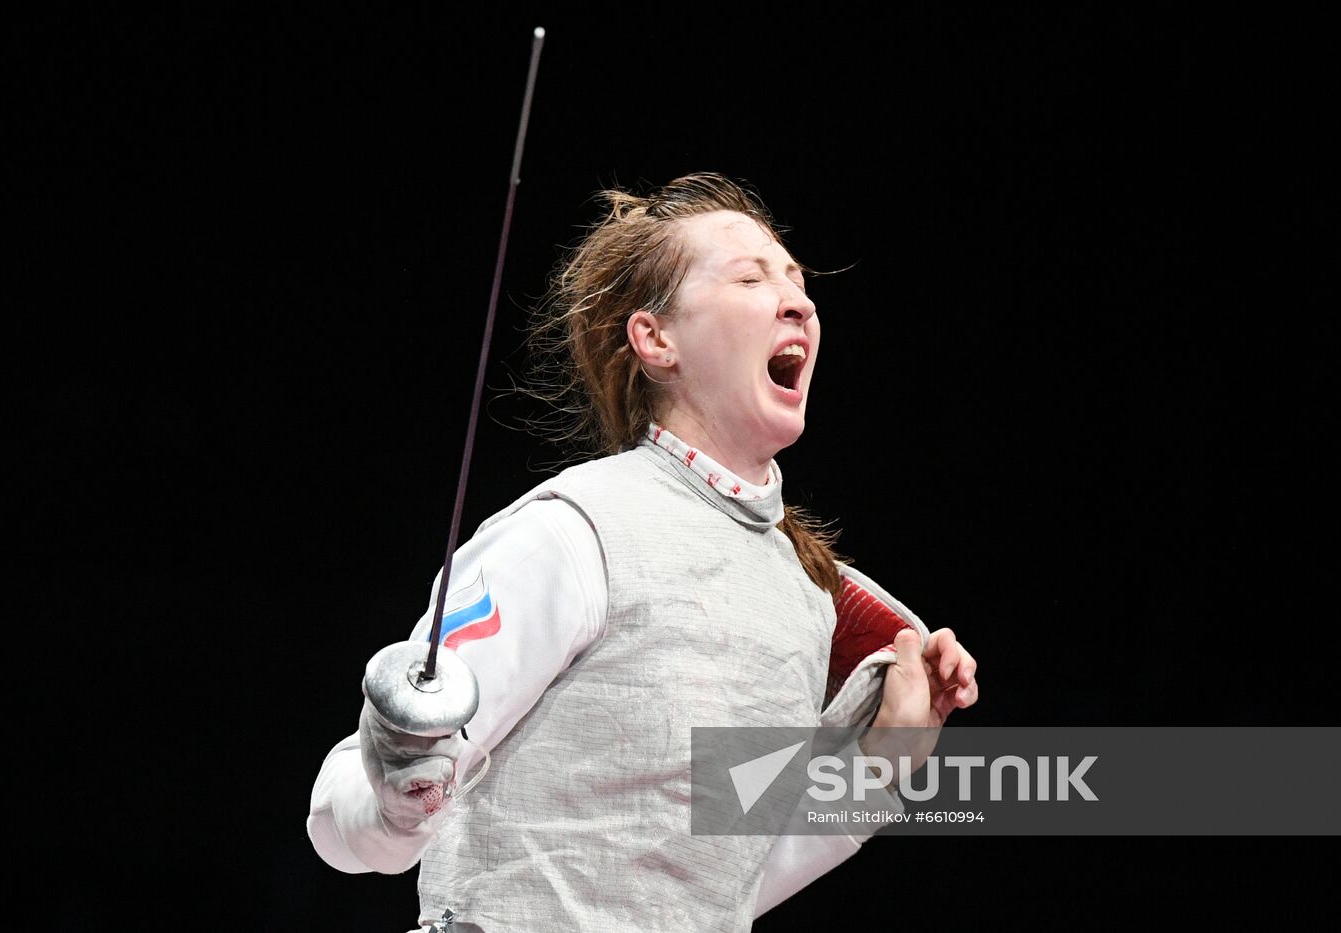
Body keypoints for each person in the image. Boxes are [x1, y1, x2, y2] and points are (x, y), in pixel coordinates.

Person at [307, 173, 979, 932]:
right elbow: (340, 816)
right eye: (752, 277)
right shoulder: (577, 530)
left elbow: (719, 879)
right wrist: (395, 796)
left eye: (797, 281)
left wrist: (882, 759)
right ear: (656, 339)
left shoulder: (800, 595)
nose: (799, 300)